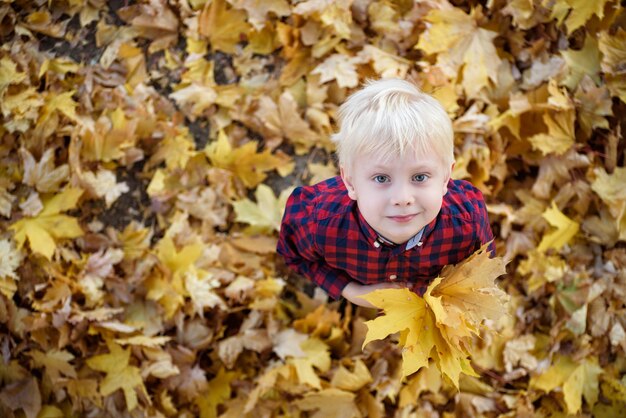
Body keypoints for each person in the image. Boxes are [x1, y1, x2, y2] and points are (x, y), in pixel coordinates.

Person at [277, 78, 494, 308]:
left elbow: (481, 269)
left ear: (445, 178)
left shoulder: (466, 224)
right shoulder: (319, 223)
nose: (402, 198)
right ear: (350, 182)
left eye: (419, 177)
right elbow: (296, 255)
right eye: (381, 178)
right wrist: (351, 291)